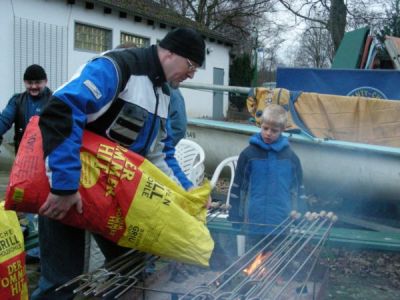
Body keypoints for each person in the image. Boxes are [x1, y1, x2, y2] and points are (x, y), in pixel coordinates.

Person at [31, 27, 205, 299]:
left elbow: (161, 154)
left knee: (133, 268)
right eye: (192, 65)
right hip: (67, 187)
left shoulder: (163, 93)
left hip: (112, 196)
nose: (192, 74)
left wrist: (188, 196)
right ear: (171, 53)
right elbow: (62, 110)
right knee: (61, 283)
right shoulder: (117, 68)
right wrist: (64, 186)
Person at [0, 64, 52, 263]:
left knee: (44, 204)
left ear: (45, 81)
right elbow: (4, 120)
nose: (34, 87)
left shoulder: (53, 100)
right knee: (26, 202)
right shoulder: (17, 100)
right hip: (24, 162)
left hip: (46, 161)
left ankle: (44, 249)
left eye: (37, 82)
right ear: (25, 83)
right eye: (30, 83)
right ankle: (36, 247)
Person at [228, 104, 303, 238]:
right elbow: (239, 187)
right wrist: (236, 216)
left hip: (281, 219)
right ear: (260, 125)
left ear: (283, 130)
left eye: (274, 131)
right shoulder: (248, 155)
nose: (268, 133)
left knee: (276, 255)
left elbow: (297, 189)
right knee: (254, 256)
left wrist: (299, 215)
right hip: (253, 218)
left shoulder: (291, 158)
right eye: (265, 128)